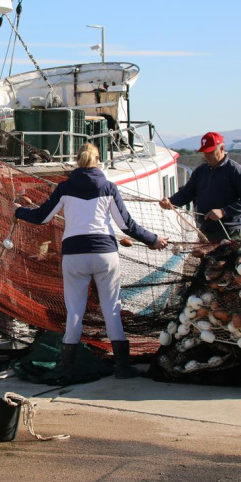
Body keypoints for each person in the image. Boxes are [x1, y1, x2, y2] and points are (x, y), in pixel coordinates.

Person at [15, 142, 168, 380]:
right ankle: (123, 368)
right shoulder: (108, 188)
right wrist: (153, 240)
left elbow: (42, 217)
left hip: (75, 255)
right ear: (98, 161)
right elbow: (127, 225)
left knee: (74, 312)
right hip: (105, 254)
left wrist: (17, 210)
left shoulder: (64, 188)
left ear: (78, 161)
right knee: (112, 310)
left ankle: (66, 367)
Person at [159, 132, 241, 243]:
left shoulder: (235, 170)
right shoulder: (200, 171)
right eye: (204, 152)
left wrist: (223, 211)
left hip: (229, 231)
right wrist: (171, 201)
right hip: (206, 229)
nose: (206, 156)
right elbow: (186, 193)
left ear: (222, 148)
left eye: (210, 151)